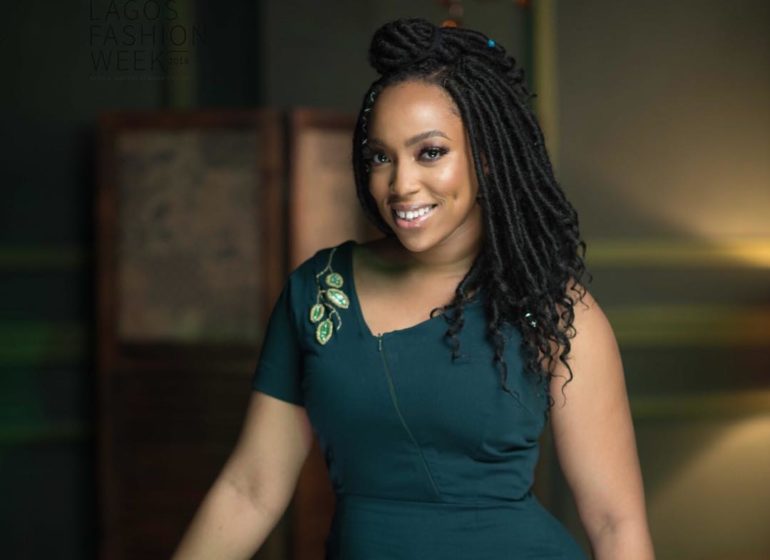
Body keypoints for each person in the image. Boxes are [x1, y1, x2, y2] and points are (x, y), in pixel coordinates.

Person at [172, 18, 655, 559]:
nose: (400, 184)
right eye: (381, 157)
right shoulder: (317, 293)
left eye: (430, 152)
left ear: (487, 156)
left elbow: (615, 523)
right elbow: (250, 490)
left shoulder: (554, 309)